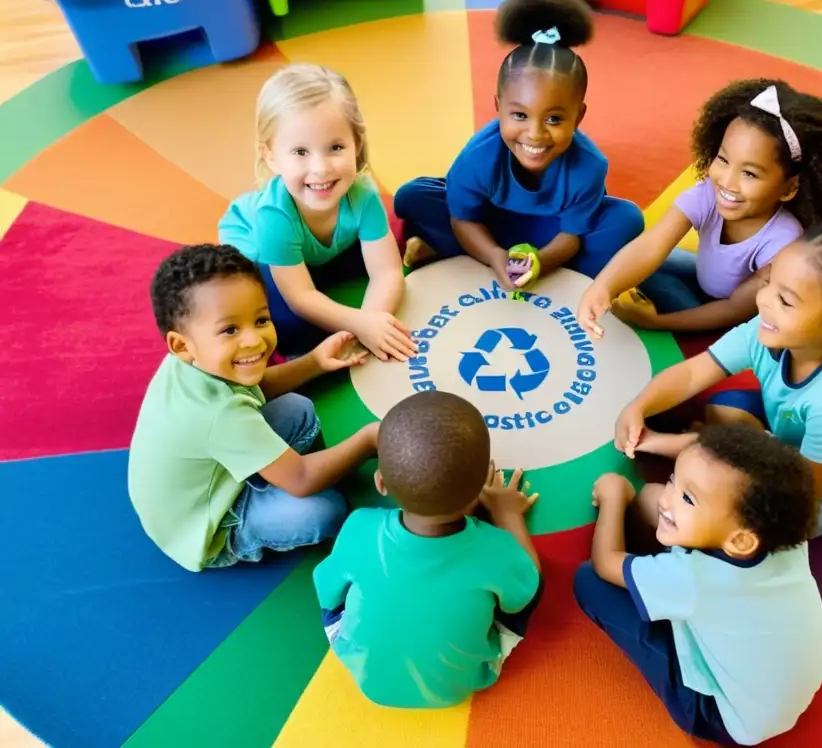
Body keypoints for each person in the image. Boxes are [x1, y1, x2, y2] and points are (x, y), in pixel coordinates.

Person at [614, 224, 822, 536]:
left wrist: (695, 456)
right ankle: (719, 451)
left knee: (781, 523)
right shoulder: (765, 329)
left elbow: (806, 490)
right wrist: (640, 405)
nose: (763, 301)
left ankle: (715, 456)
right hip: (790, 431)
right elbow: (692, 373)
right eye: (769, 282)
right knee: (722, 408)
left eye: (785, 300)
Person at [574, 424, 822, 745]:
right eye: (673, 479)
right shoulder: (782, 534)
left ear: (739, 540)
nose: (669, 497)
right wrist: (666, 493)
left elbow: (605, 562)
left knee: (588, 582)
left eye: (687, 497)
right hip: (787, 683)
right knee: (650, 499)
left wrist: (614, 498)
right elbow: (666, 496)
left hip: (723, 716)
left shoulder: (692, 578)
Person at [128, 244, 378, 572]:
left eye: (261, 319)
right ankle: (248, 524)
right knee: (323, 510)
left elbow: (251, 388)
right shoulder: (221, 415)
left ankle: (281, 472)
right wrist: (370, 439)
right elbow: (301, 479)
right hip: (207, 526)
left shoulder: (191, 361)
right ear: (181, 345)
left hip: (201, 480)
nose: (254, 341)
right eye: (230, 329)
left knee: (298, 409)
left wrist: (315, 361)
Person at [393, 0, 644, 290]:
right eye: (520, 115)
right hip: (488, 224)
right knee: (412, 196)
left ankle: (446, 252)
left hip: (550, 235)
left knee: (627, 220)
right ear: (498, 108)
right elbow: (464, 220)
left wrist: (540, 260)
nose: (535, 134)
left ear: (578, 116)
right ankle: (461, 250)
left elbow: (571, 236)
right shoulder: (479, 156)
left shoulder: (589, 166)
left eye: (554, 119)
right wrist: (495, 255)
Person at [577, 78, 822, 335]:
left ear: (789, 187)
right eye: (723, 160)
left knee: (660, 291)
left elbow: (734, 311)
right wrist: (603, 287)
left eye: (749, 174)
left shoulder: (783, 242)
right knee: (627, 253)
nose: (727, 182)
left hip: (721, 310)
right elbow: (653, 244)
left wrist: (655, 322)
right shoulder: (709, 194)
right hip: (702, 277)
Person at [313, 390, 543, 708]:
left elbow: (328, 595)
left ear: (381, 484)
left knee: (348, 587)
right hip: (463, 681)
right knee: (526, 581)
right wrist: (507, 514)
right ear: (481, 488)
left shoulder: (360, 526)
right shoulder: (497, 547)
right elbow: (524, 595)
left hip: (367, 676)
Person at [219, 63, 417, 361]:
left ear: (356, 143)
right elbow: (300, 297)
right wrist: (360, 324)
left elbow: (387, 271)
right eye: (300, 152)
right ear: (270, 156)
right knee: (288, 326)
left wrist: (372, 321)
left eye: (335, 147)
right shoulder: (273, 216)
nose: (321, 169)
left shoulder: (363, 194)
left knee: (385, 265)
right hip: (258, 253)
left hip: (317, 251)